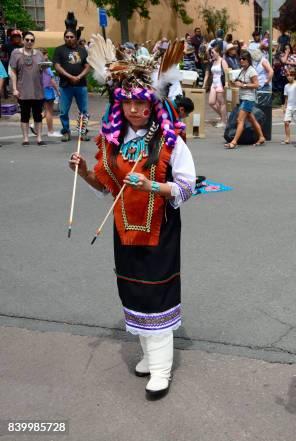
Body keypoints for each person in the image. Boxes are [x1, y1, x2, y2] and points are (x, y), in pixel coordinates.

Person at [69, 39, 196, 400]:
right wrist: (83, 173)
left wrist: (153, 185)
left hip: (160, 228)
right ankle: (148, 355)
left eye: (141, 102)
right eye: (128, 103)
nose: (135, 109)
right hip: (124, 228)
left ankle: (160, 369)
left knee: (156, 293)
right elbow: (107, 187)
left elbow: (186, 187)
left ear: (152, 102)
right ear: (120, 104)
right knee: (133, 289)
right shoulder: (113, 141)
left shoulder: (170, 140)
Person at [53, 29, 91, 142]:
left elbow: (88, 66)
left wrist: (79, 77)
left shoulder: (83, 50)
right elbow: (57, 66)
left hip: (81, 85)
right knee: (63, 111)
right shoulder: (59, 50)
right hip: (65, 86)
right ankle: (66, 131)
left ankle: (83, 132)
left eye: (71, 37)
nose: (69, 38)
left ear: (76, 38)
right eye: (67, 37)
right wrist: (70, 76)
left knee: (84, 110)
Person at [9, 31, 46, 146]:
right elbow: (13, 71)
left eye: (32, 40)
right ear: (23, 40)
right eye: (27, 40)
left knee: (38, 115)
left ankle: (39, 138)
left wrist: (44, 67)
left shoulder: (39, 54)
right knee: (24, 115)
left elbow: (42, 70)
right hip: (23, 90)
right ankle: (25, 138)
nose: (29, 42)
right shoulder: (16, 53)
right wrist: (14, 88)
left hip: (37, 90)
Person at [224, 50, 265, 149]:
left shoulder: (251, 70)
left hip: (248, 99)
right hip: (242, 98)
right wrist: (234, 83)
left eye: (243, 59)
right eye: (240, 59)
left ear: (248, 60)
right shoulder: (242, 70)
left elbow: (256, 84)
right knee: (252, 119)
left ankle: (234, 142)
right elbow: (239, 83)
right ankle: (261, 137)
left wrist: (243, 85)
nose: (241, 60)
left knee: (240, 120)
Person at [203, 45, 229, 129]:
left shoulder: (223, 61)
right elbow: (209, 73)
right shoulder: (213, 61)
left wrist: (226, 83)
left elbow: (226, 73)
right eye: (211, 52)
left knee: (221, 103)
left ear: (218, 52)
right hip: (213, 84)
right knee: (211, 102)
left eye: (213, 52)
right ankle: (223, 116)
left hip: (220, 84)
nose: (211, 54)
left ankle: (223, 121)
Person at [39, 48, 62, 137]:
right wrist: (57, 90)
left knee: (45, 110)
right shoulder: (46, 67)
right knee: (49, 111)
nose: (47, 56)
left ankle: (34, 124)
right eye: (46, 54)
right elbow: (52, 80)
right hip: (48, 90)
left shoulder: (38, 66)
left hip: (41, 90)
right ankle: (50, 131)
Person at [282, 67, 296, 144]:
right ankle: (287, 138)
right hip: (289, 107)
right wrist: (285, 106)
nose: (289, 77)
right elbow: (286, 98)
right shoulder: (286, 86)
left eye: (291, 75)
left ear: (294, 75)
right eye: (287, 75)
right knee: (286, 122)